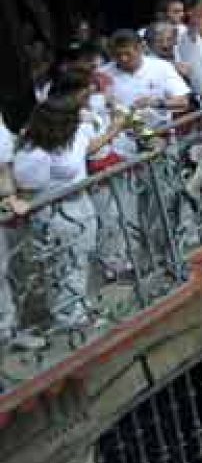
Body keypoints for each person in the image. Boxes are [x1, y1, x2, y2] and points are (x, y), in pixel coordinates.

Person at [12, 78, 125, 332]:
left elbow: (86, 149)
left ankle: (78, 306)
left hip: (80, 203)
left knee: (80, 259)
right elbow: (28, 192)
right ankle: (68, 317)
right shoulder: (34, 154)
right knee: (63, 264)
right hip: (55, 213)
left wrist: (113, 130)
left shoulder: (73, 135)